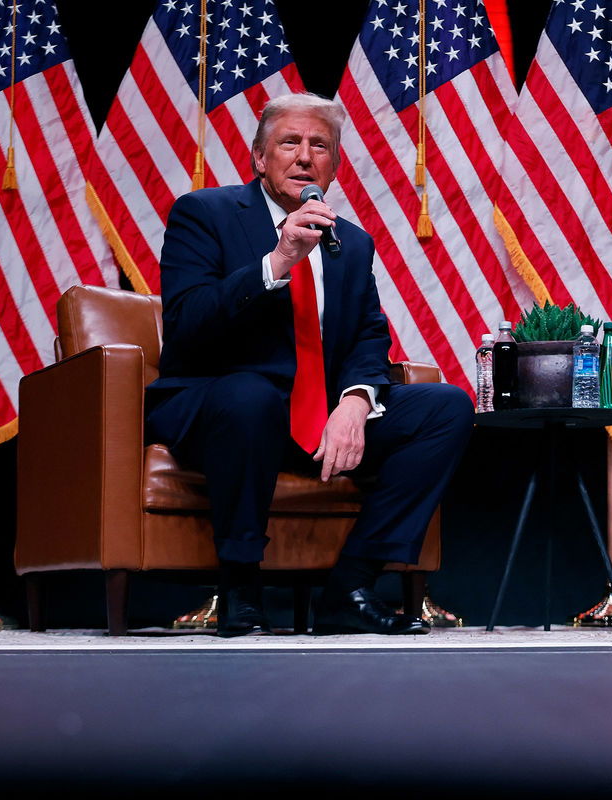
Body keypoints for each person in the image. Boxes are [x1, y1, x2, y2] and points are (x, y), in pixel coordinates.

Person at [145, 93, 474, 637]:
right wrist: (278, 262)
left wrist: (354, 400)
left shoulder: (352, 241)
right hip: (220, 406)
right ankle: (240, 584)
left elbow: (369, 335)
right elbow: (188, 323)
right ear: (259, 158)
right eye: (289, 143)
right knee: (249, 395)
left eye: (318, 146)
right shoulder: (205, 213)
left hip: (312, 412)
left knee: (445, 408)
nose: (304, 156)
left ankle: (351, 584)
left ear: (335, 165)